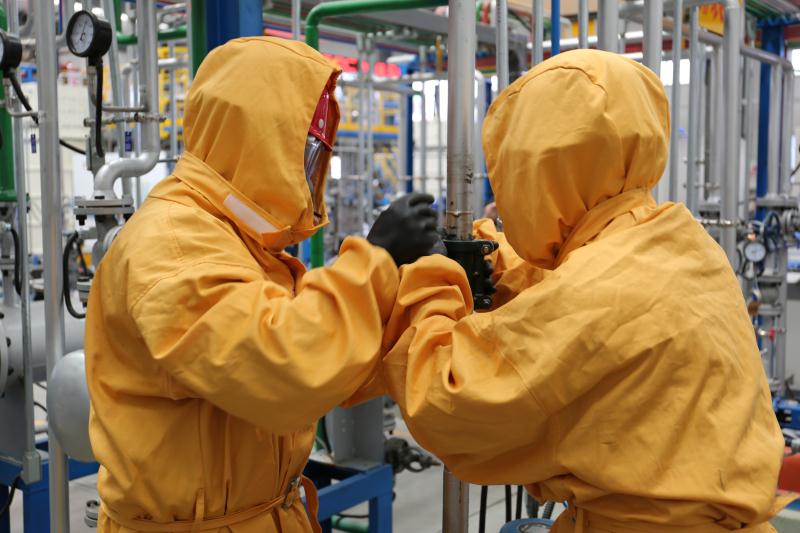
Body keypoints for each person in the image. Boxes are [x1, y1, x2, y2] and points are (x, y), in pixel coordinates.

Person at [381, 49, 789, 532]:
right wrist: (488, 253)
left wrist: (429, 277)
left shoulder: (598, 291)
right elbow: (572, 290)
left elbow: (449, 404)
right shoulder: (675, 238)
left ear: (540, 171)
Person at [84, 37, 438, 532]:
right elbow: (285, 366)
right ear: (254, 139)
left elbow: (335, 360)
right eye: (303, 150)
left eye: (317, 154)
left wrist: (423, 292)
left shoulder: (237, 240)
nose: (309, 171)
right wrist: (375, 260)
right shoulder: (172, 244)